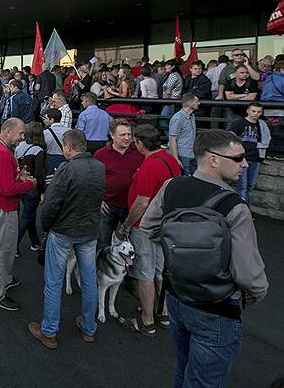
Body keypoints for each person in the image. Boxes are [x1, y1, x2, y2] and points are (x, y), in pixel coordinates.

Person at [141, 130, 268, 388]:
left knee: (183, 368)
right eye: (238, 157)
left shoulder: (172, 186)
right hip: (216, 307)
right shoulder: (235, 206)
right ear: (213, 160)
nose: (245, 163)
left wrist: (180, 249)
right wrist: (256, 292)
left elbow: (149, 227)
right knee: (202, 381)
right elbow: (247, 274)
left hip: (177, 296)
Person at [29, 129, 105, 349]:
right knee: (89, 279)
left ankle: (49, 331)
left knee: (54, 281)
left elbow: (51, 203)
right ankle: (89, 327)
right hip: (89, 230)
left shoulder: (67, 169)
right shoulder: (99, 167)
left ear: (69, 147)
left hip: (64, 230)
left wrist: (45, 227)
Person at [116, 124, 181, 337]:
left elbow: (141, 203)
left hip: (144, 225)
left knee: (145, 271)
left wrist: (126, 226)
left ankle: (146, 320)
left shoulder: (149, 167)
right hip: (165, 224)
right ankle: (162, 311)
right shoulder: (171, 160)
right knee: (160, 269)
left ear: (140, 144)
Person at [0, 118, 36, 311]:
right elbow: (7, 189)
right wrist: (29, 184)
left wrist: (18, 176)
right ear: (8, 132)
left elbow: (0, 179)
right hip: (1, 205)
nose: (23, 137)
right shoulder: (3, 152)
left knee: (2, 248)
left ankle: (4, 279)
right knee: (0, 250)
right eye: (20, 133)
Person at [93, 119, 144, 249]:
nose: (127, 138)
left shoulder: (139, 152)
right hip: (108, 207)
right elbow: (93, 180)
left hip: (132, 207)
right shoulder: (101, 154)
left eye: (129, 134)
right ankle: (102, 268)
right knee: (103, 243)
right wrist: (98, 200)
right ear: (112, 135)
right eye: (123, 135)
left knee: (133, 245)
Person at [14, 122, 46, 255]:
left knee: (29, 215)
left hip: (20, 183)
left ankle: (35, 242)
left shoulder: (20, 146)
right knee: (28, 216)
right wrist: (42, 191)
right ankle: (14, 244)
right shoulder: (38, 151)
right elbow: (39, 173)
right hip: (31, 186)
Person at [229, 102, 269, 203]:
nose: (256, 114)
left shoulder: (261, 124)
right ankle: (243, 212)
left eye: (259, 112)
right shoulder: (238, 123)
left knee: (250, 187)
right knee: (242, 186)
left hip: (255, 158)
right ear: (248, 111)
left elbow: (266, 139)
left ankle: (247, 211)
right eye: (253, 111)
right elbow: (230, 138)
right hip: (242, 158)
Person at [168, 93, 200, 175]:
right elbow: (172, 139)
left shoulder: (192, 116)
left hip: (192, 153)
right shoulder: (177, 118)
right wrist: (176, 158)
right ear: (190, 103)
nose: (198, 103)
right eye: (196, 101)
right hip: (182, 155)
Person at [42, 108, 72, 175]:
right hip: (67, 158)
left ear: (52, 120)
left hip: (51, 160)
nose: (44, 120)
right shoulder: (69, 131)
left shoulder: (45, 133)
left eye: (46, 118)